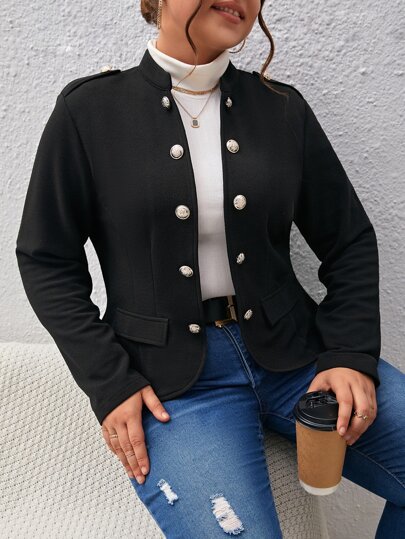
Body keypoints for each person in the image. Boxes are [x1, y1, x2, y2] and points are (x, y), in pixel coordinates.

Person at [15, 0, 405, 537]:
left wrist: (349, 353)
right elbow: (45, 259)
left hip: (299, 356)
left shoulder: (281, 109)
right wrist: (109, 380)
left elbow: (349, 239)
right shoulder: (90, 112)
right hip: (174, 388)